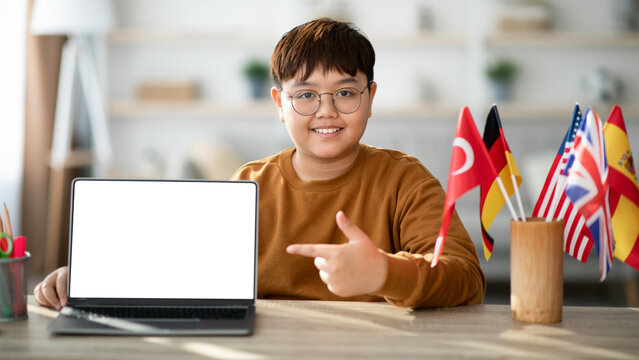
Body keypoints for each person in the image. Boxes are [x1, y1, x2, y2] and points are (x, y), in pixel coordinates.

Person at [34, 18, 485, 310]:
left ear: (370, 99)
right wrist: (97, 278)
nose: (326, 110)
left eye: (346, 92)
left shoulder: (405, 178)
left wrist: (386, 272)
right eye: (305, 95)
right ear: (279, 103)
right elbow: (183, 265)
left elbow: (466, 278)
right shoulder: (251, 182)